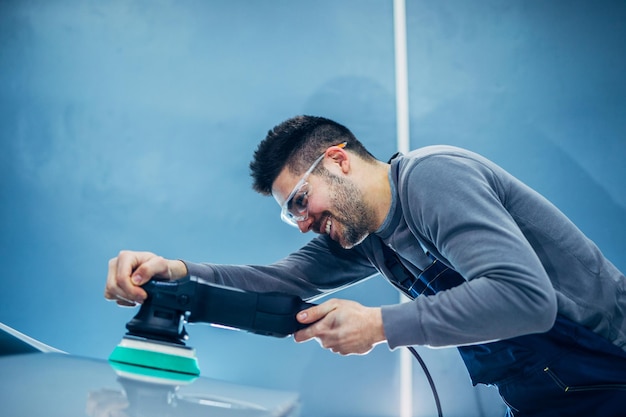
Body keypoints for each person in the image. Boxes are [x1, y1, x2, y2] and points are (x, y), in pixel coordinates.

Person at [106, 115, 626, 416]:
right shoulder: (369, 236)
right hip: (551, 398)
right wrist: (173, 271)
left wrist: (380, 325)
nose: (304, 222)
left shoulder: (432, 179)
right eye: (292, 217)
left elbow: (525, 299)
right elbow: (281, 280)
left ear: (337, 159)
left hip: (611, 374)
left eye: (301, 202)